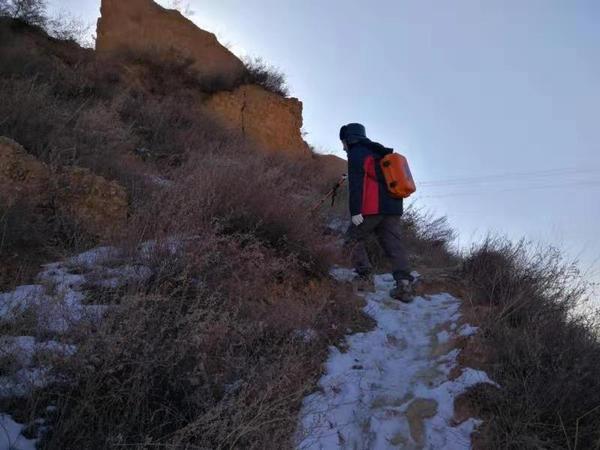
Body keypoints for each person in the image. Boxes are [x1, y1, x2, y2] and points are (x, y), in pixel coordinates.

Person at [340, 122, 415, 302]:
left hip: (371, 207)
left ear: (348, 138)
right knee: (393, 245)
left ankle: (365, 277)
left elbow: (357, 185)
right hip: (394, 208)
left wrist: (355, 211)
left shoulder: (357, 152)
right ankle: (404, 285)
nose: (343, 147)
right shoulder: (380, 152)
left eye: (343, 142)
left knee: (352, 239)